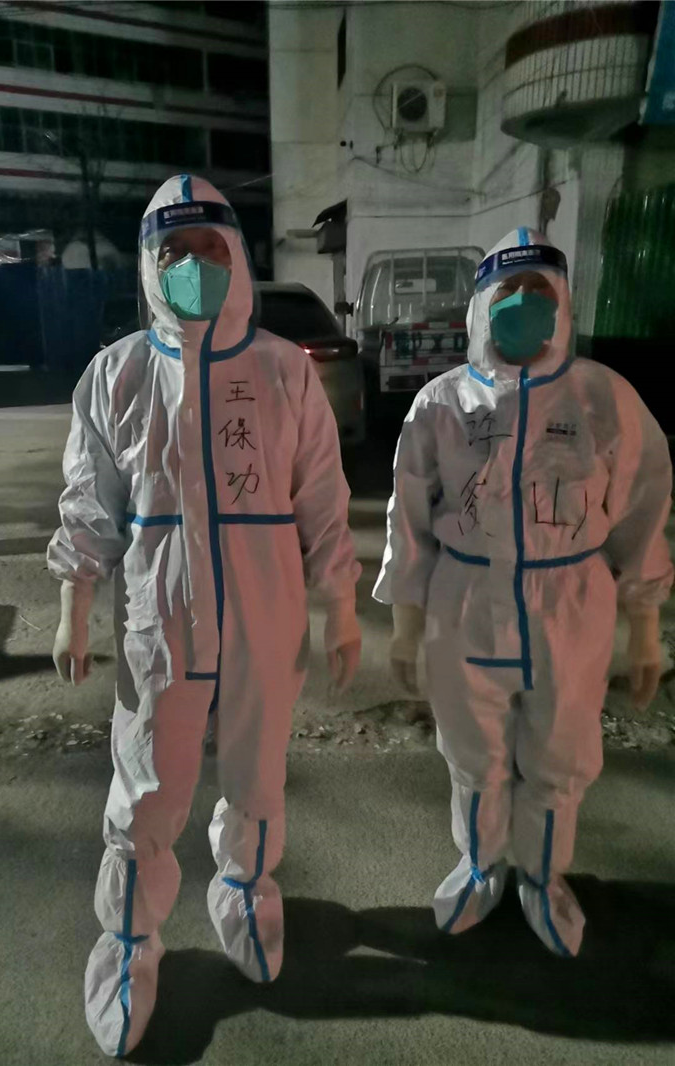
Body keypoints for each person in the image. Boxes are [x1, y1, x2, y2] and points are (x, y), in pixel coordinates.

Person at [48, 174, 361, 1057]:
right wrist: (73, 600)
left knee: (258, 773)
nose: (191, 266)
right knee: (146, 786)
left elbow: (322, 495)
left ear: (239, 258)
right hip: (161, 619)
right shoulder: (116, 374)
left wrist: (340, 603)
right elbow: (90, 501)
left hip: (265, 612)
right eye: (172, 251)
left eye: (209, 249)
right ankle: (128, 943)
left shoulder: (282, 369)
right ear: (149, 264)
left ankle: (247, 894)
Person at [374, 227, 672, 957]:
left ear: (564, 303)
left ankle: (542, 875)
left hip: (568, 600)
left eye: (542, 291)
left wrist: (645, 627)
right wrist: (406, 625)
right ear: (481, 305)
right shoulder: (443, 402)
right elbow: (409, 515)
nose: (526, 303)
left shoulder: (604, 398)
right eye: (510, 291)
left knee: (560, 752)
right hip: (465, 598)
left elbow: (644, 510)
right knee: (471, 750)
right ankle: (481, 866)